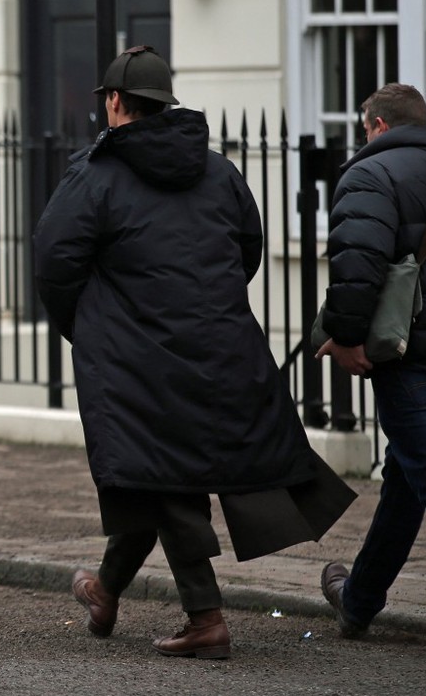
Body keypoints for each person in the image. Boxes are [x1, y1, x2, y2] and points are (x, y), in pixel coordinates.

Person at [32, 46, 356, 659]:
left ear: (114, 103)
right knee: (152, 470)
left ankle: (206, 619)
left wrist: (94, 325)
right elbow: (248, 249)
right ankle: (104, 590)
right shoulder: (220, 172)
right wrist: (207, 304)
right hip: (224, 345)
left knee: (165, 474)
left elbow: (54, 265)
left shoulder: (94, 175)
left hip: (137, 354)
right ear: (167, 104)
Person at [315, 83, 426, 661]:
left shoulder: (368, 177)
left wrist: (349, 338)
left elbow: (357, 268)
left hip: (410, 359)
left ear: (377, 126)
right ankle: (358, 600)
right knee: (410, 478)